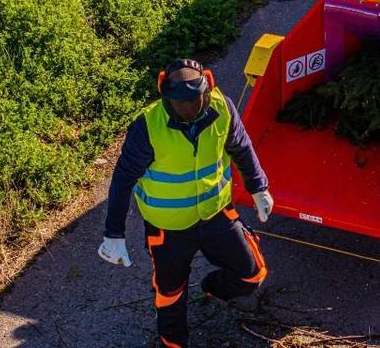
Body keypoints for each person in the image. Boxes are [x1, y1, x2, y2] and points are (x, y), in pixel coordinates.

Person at [98, 58, 274, 348]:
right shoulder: (147, 127)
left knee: (253, 273)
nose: (189, 110)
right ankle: (174, 343)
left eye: (195, 101)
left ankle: (211, 290)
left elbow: (241, 146)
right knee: (170, 293)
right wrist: (113, 233)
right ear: (164, 94)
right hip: (168, 230)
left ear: (208, 85)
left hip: (215, 215)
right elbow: (122, 179)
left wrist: (258, 187)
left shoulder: (223, 108)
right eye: (180, 104)